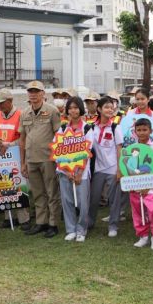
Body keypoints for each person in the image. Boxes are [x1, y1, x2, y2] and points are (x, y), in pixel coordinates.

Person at [19, 80, 62, 238]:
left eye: (37, 92)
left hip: (48, 158)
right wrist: (23, 162)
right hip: (31, 159)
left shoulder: (52, 111)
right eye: (31, 92)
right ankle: (41, 222)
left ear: (43, 94)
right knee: (37, 193)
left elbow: (59, 136)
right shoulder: (24, 113)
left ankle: (53, 224)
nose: (33, 94)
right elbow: (22, 139)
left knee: (52, 192)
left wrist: (59, 159)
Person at [123, 118, 153, 250]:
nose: (142, 133)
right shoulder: (130, 148)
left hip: (151, 185)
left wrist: (148, 185)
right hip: (135, 185)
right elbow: (127, 167)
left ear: (150, 131)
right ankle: (143, 236)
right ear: (135, 132)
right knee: (137, 211)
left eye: (144, 130)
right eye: (139, 130)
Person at [0, 88, 31, 230]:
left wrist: (9, 144)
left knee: (19, 187)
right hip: (2, 156)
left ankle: (24, 219)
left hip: (16, 154)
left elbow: (23, 138)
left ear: (10, 101)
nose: (0, 106)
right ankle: (9, 218)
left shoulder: (20, 114)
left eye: (2, 103)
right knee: (4, 186)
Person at [56, 97, 92, 243]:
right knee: (67, 201)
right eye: (70, 108)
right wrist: (67, 170)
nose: (73, 110)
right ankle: (70, 229)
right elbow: (58, 150)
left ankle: (81, 230)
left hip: (81, 173)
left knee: (83, 203)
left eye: (76, 107)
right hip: (65, 172)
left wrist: (78, 172)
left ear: (81, 109)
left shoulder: (87, 128)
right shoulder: (63, 128)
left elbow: (87, 152)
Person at [88, 96, 123, 236]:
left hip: (113, 168)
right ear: (99, 109)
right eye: (107, 107)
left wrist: (120, 169)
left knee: (114, 200)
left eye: (112, 107)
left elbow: (120, 149)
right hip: (97, 169)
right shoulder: (91, 127)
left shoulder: (115, 127)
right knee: (93, 199)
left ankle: (113, 226)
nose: (110, 109)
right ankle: (89, 222)